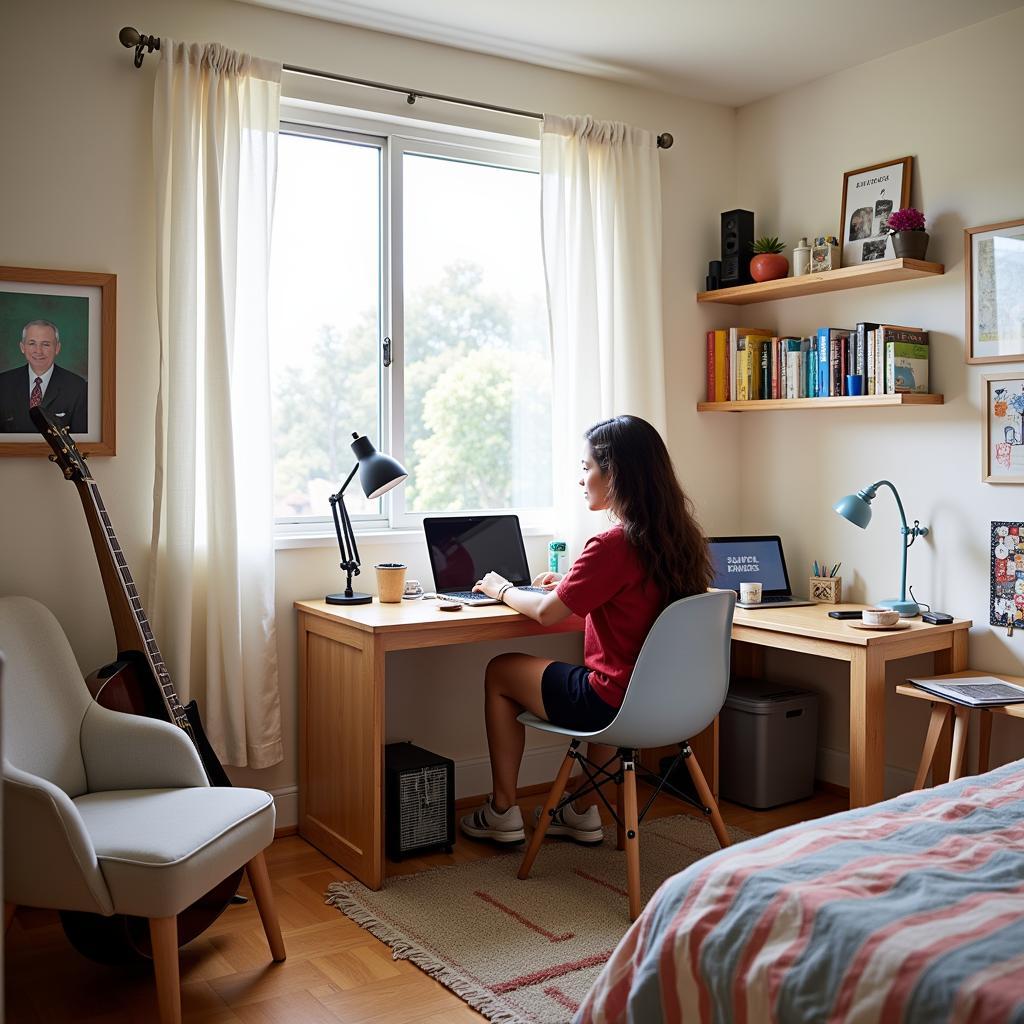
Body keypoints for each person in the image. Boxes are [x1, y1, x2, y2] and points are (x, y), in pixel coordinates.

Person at [459, 415, 714, 845]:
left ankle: (502, 811)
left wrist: (501, 588)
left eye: (586, 468)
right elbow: (631, 600)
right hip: (669, 704)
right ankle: (582, 810)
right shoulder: (681, 540)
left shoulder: (612, 544)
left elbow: (545, 615)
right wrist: (569, 586)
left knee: (501, 670)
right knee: (604, 676)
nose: (582, 480)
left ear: (614, 474)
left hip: (611, 704)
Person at [0, 319, 88, 433]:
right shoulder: (3, 383)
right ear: (22, 347)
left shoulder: (77, 387)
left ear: (57, 348)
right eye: (32, 343)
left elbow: (81, 440)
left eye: (45, 344)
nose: (38, 351)